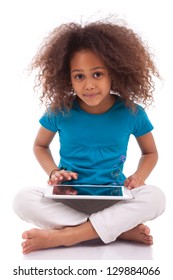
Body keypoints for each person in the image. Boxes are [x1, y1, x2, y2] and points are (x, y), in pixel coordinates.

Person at [13, 19, 166, 255]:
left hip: (114, 196)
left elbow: (150, 152)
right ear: (67, 78)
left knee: (156, 197)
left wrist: (139, 176)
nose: (88, 85)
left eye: (97, 74)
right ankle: (116, 229)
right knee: (22, 200)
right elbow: (40, 146)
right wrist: (54, 173)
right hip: (68, 199)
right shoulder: (59, 110)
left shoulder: (131, 112)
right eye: (79, 76)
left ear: (114, 72)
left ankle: (69, 236)